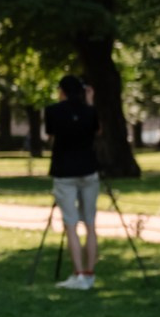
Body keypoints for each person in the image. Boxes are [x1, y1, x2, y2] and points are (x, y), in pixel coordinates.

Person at [44, 75, 100, 289]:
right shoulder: (90, 110)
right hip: (88, 170)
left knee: (71, 224)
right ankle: (89, 272)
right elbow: (97, 130)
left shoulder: (53, 111)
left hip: (64, 172)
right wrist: (89, 102)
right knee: (90, 223)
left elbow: (50, 135)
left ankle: (79, 274)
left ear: (63, 91)